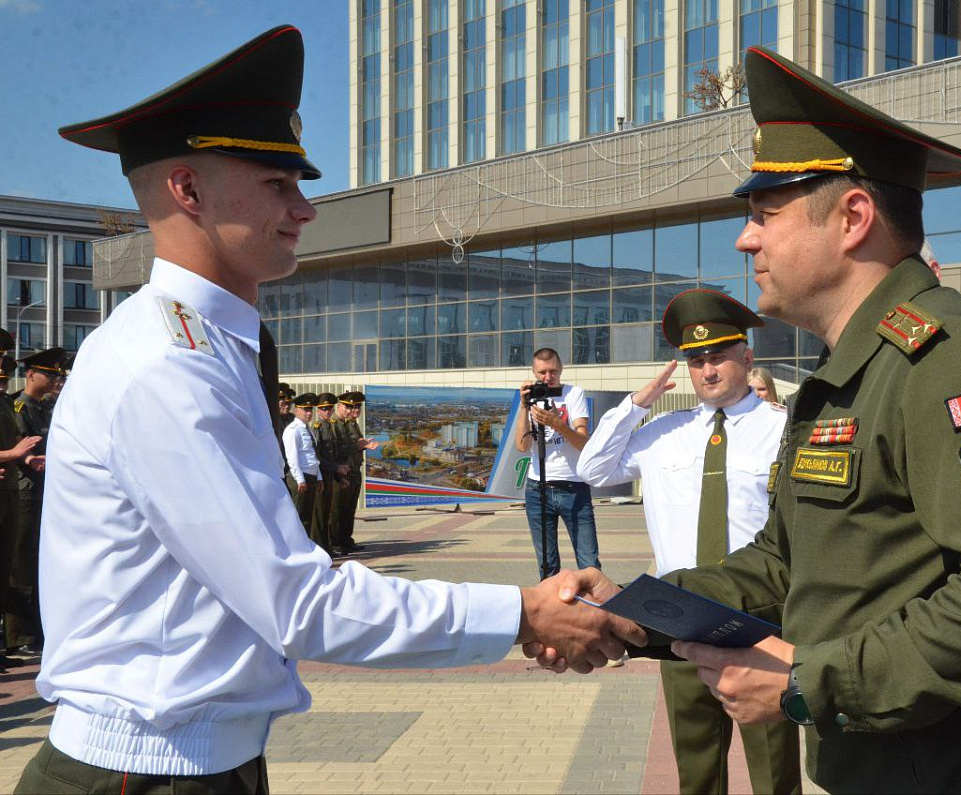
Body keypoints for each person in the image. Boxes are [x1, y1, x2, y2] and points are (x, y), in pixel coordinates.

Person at [21, 26, 642, 793]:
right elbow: (295, 601)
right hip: (141, 770)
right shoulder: (164, 364)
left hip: (190, 760)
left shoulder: (205, 345)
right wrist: (522, 613)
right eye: (277, 183)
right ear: (187, 189)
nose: (304, 208)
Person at [536, 47, 961, 793]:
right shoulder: (850, 374)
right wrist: (636, 611)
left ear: (853, 218)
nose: (746, 239)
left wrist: (811, 681)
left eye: (764, 215)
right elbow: (787, 565)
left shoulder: (955, 359)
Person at [577, 289, 801, 795]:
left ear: (747, 358)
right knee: (696, 770)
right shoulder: (663, 432)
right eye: (696, 361)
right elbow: (593, 469)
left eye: (718, 356)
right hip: (677, 616)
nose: (707, 370)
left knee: (774, 772)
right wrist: (636, 404)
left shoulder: (784, 431)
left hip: (759, 619)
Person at [513, 347, 600, 580]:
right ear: (533, 373)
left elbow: (583, 443)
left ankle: (595, 601)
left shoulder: (574, 394)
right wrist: (523, 406)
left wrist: (557, 423)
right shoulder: (529, 399)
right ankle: (553, 601)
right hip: (537, 488)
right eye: (542, 373)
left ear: (560, 369)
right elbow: (522, 446)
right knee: (547, 564)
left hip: (573, 486)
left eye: (552, 371)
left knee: (589, 562)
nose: (548, 378)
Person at [8, 346, 64, 655]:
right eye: (49, 374)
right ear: (30, 375)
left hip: (46, 492)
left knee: (41, 562)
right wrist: (29, 458)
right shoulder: (20, 407)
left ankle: (39, 631)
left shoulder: (46, 408)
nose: (56, 380)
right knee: (22, 565)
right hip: (25, 492)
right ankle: (20, 637)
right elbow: (19, 448)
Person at [0, 339, 40, 672]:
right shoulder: (13, 403)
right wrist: (14, 454)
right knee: (17, 569)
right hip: (14, 489)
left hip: (12, 490)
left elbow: (15, 444)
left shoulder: (3, 402)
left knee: (6, 568)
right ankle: (16, 637)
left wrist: (22, 457)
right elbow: (13, 448)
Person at [333, 390, 376, 553]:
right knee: (339, 509)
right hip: (343, 471)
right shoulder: (337, 424)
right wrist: (360, 445)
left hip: (354, 470)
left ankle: (346, 539)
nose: (355, 410)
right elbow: (341, 448)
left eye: (358, 407)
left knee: (349, 508)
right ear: (341, 407)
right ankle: (337, 542)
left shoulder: (351, 424)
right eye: (351, 407)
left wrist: (362, 445)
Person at [283, 392, 322, 541]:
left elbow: (313, 455)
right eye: (305, 409)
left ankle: (305, 547)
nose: (309, 413)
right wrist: (300, 480)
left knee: (307, 517)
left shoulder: (308, 429)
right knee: (298, 518)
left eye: (310, 409)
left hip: (311, 476)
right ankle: (296, 546)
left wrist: (319, 477)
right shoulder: (293, 430)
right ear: (296, 410)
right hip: (300, 478)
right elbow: (292, 458)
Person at [310, 392, 346, 554]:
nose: (327, 412)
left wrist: (338, 476)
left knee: (326, 514)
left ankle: (327, 547)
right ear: (318, 410)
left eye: (330, 409)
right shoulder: (316, 428)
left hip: (330, 475)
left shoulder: (329, 427)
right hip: (321, 475)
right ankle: (320, 549)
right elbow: (318, 456)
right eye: (324, 409)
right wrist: (335, 469)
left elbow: (332, 455)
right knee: (319, 515)